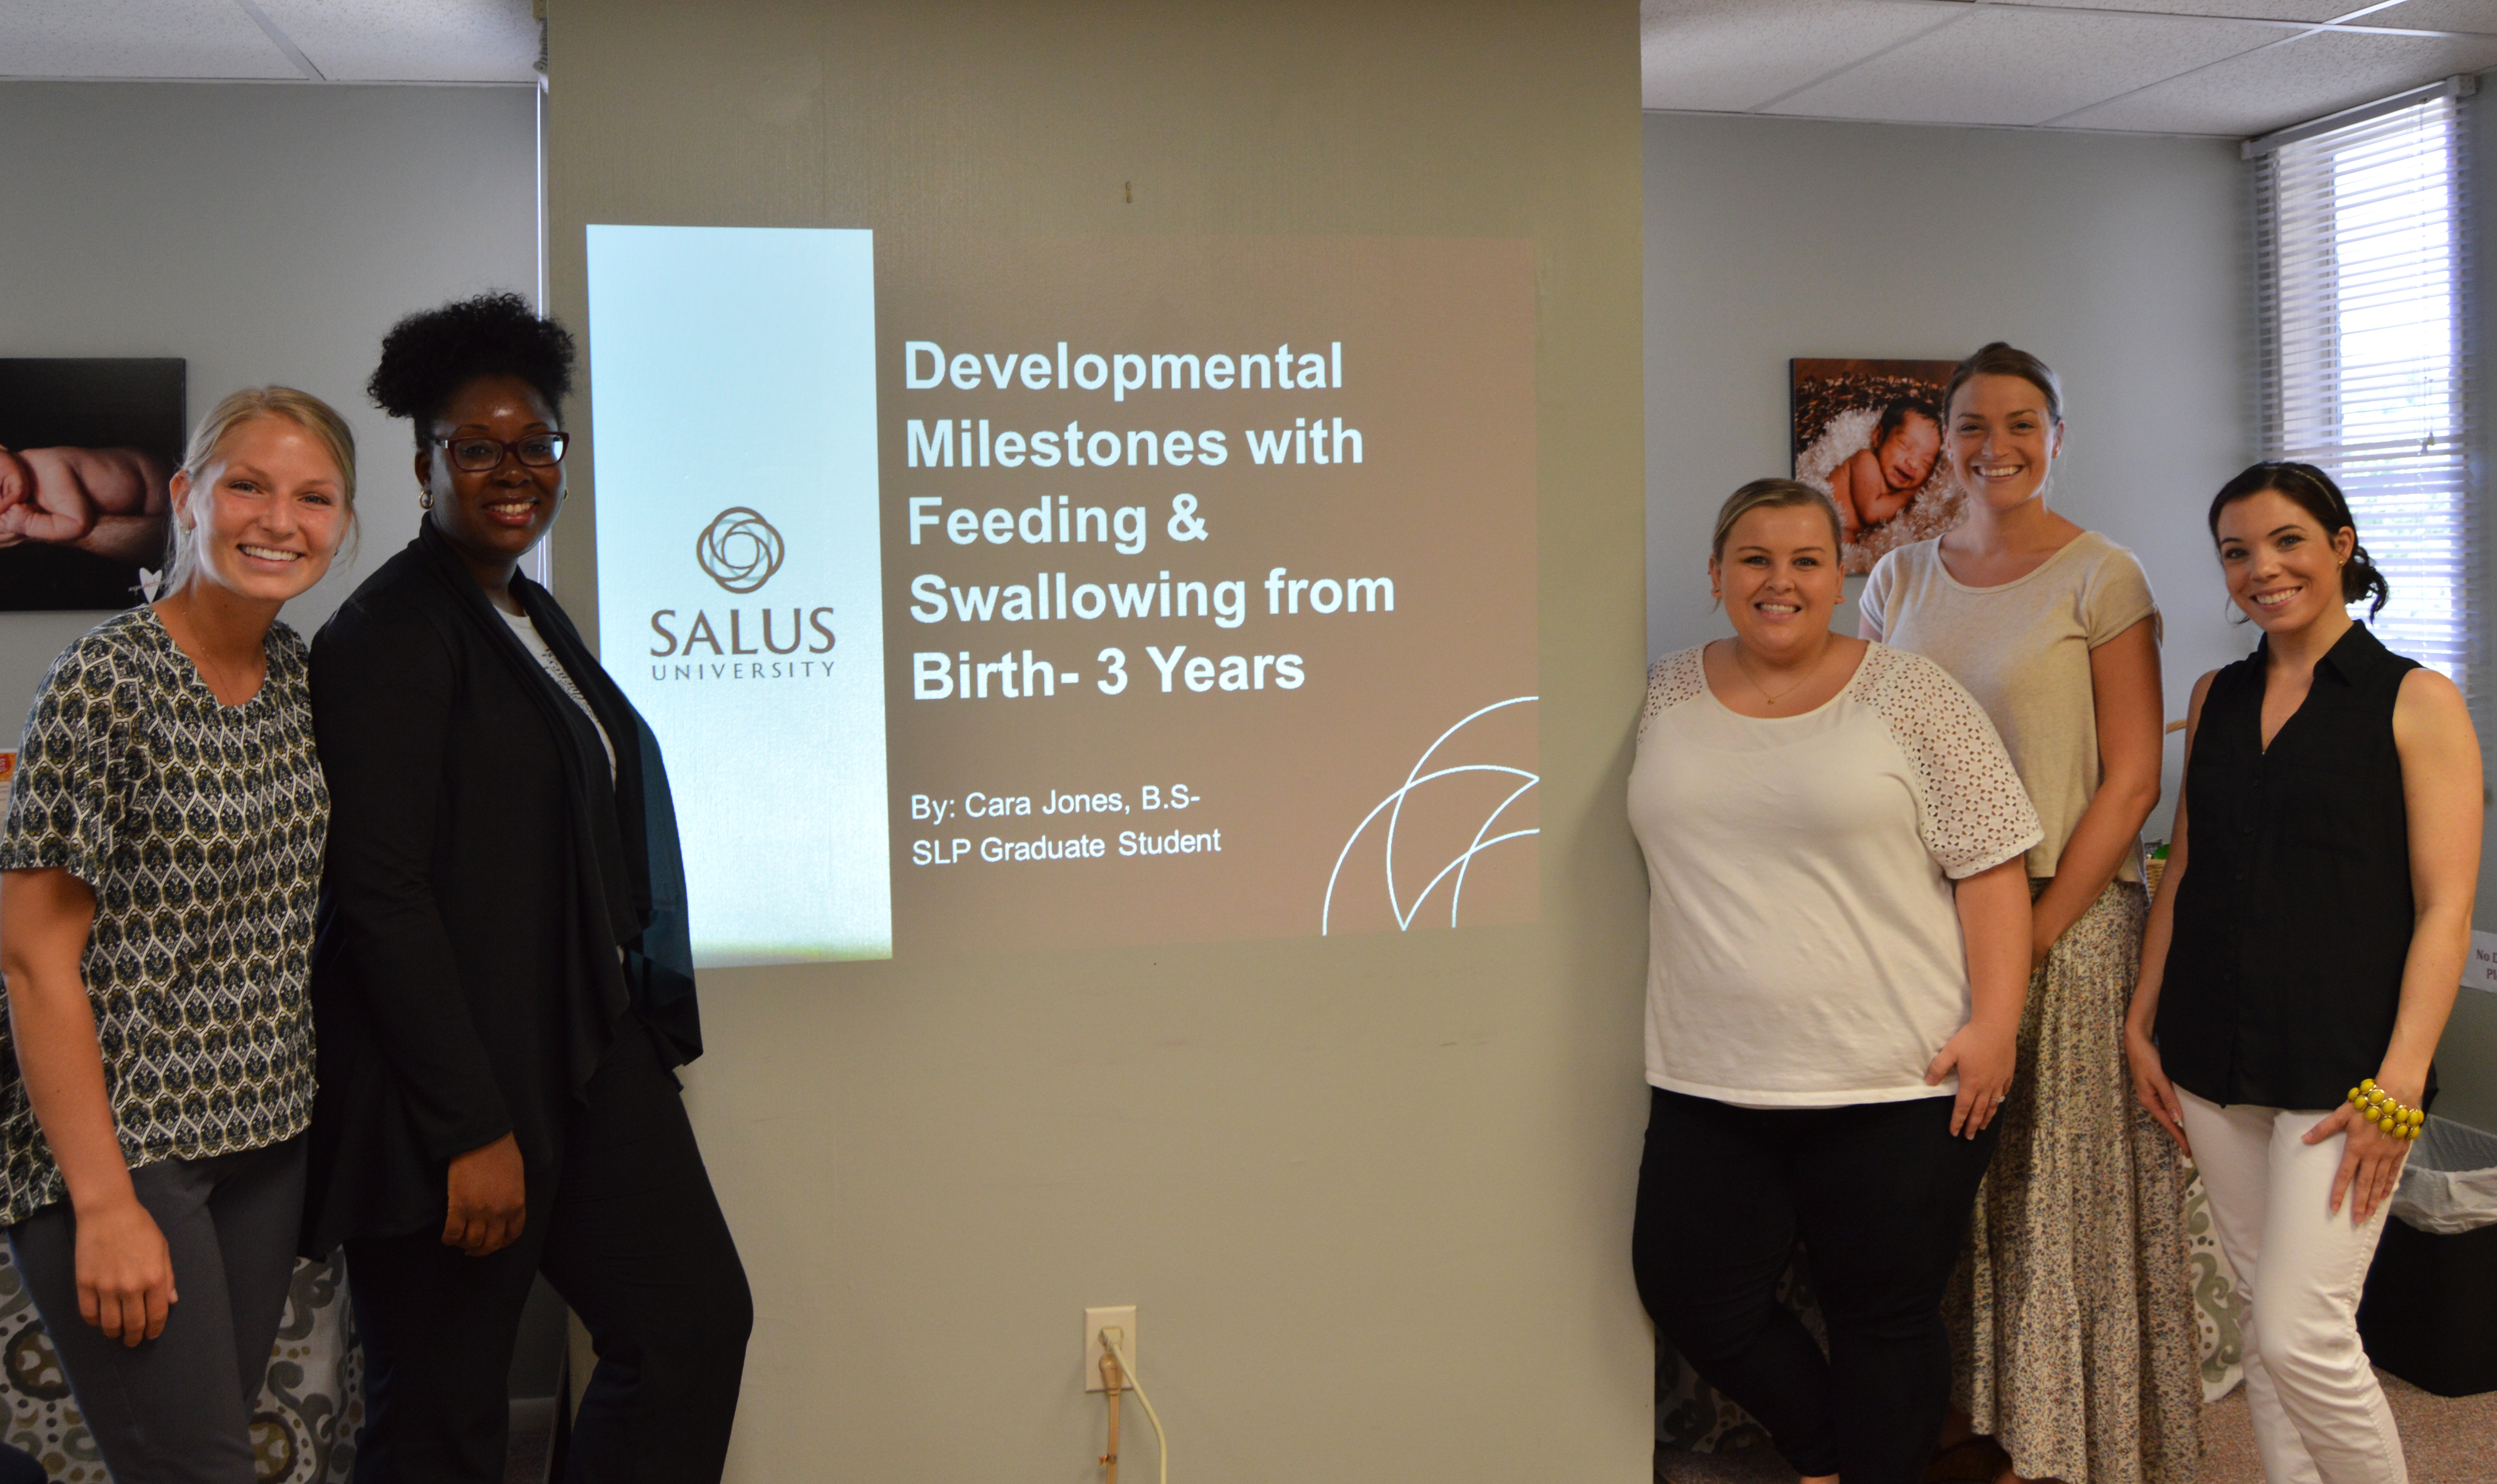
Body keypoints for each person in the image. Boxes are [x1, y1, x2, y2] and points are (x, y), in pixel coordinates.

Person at [302, 291, 750, 1484]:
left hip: (582, 1051)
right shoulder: (389, 634)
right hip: (451, 1092)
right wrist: (472, 1127)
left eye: (536, 444)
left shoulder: (528, 613)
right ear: (424, 465)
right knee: (444, 1419)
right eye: (479, 447)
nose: (515, 469)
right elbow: (381, 893)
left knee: (692, 1327)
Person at [1630, 478, 2041, 1484]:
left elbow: (1993, 868)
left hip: (1898, 1075)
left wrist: (1997, 1025)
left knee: (1883, 1318)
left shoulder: (1912, 696)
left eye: (1806, 560)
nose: (1781, 581)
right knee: (1692, 1289)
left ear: (1841, 571)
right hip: (1711, 1073)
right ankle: (1822, 1453)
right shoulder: (1663, 693)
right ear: (1718, 574)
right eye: (1756, 559)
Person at [0, 387, 356, 1483]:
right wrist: (104, 1202)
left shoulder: (301, 675)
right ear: (188, 497)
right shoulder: (108, 682)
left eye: (314, 496)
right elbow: (30, 955)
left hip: (264, 1139)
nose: (278, 519)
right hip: (129, 1147)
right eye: (248, 484)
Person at [1861, 342, 2198, 1484]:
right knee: (1944, 1188)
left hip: (2068, 915)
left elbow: (2131, 781)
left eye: (2019, 423)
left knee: (2051, 1193)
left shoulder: (2101, 576)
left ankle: (2066, 1437)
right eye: (1969, 425)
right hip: (1928, 925)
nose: (1991, 446)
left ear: (2058, 435)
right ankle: (1961, 1415)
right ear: (1940, 440)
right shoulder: (1898, 581)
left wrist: (2033, 935)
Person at [2127, 463, 2479, 1484]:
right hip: (2208, 1051)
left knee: (2300, 1332)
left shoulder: (2415, 699)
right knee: (2257, 1319)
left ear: (2339, 542)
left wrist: (2401, 1082)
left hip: (2347, 1071)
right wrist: (2142, 1017)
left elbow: (2445, 908)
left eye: (2284, 540)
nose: (2258, 567)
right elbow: (2183, 862)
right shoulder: (2214, 695)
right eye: (2235, 550)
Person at [1829, 396, 1942, 541]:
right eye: (1905, 445)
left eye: (1926, 462)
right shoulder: (1865, 460)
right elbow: (1871, 512)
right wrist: (1913, 494)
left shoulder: (1895, 494)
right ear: (1878, 436)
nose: (1914, 463)